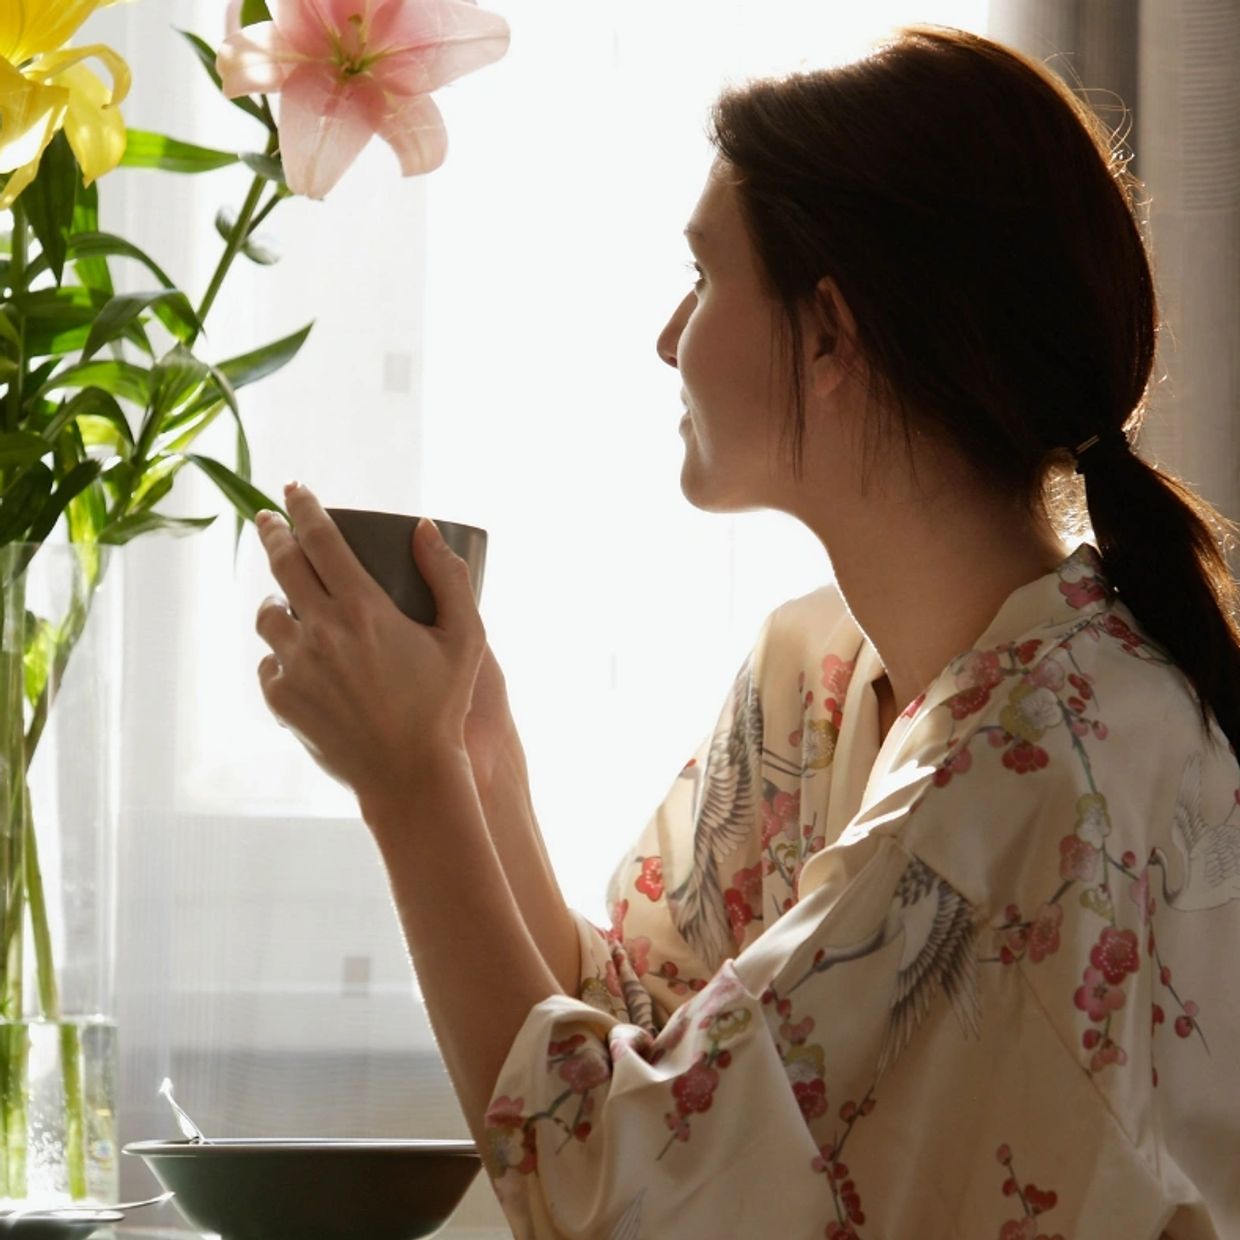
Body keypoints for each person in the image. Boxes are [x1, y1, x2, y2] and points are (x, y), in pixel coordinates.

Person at [251, 24, 1240, 1239]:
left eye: (706, 276)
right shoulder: (817, 677)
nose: (670, 336)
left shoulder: (1036, 767)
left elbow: (618, 1184)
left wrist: (409, 787)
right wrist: (473, 755)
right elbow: (645, 1042)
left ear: (830, 334)